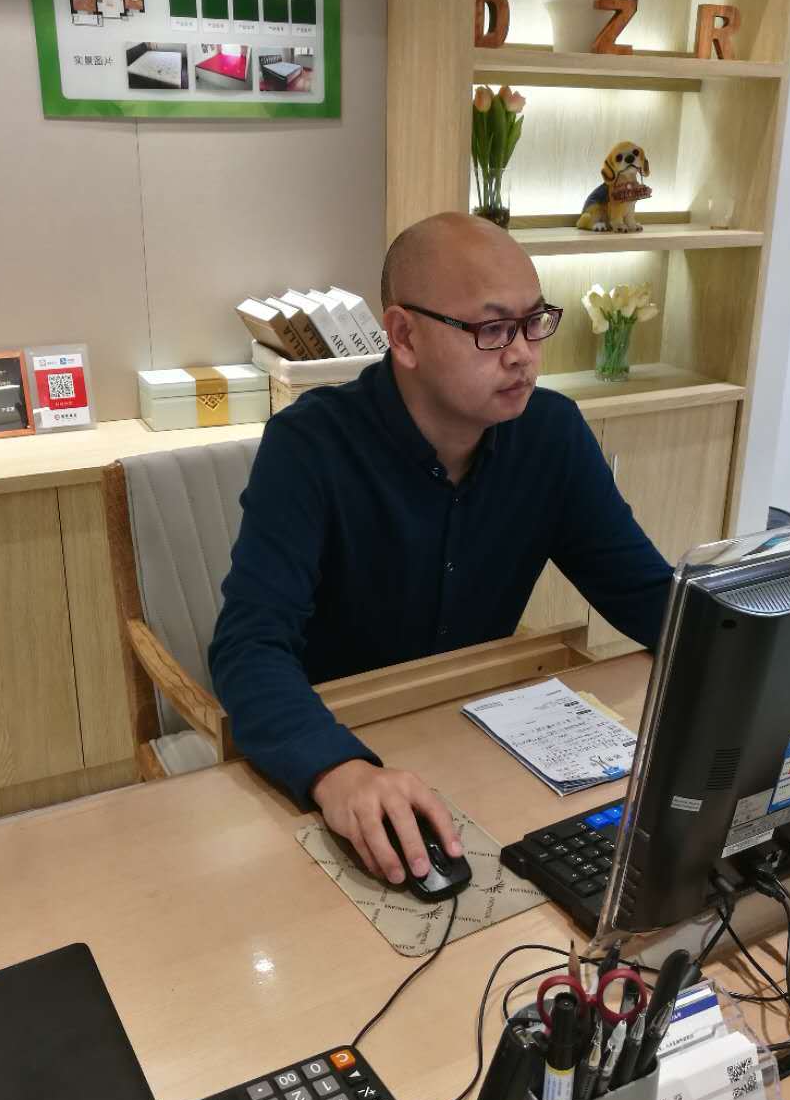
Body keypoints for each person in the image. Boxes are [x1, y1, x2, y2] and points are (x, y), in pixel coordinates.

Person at [209, 213, 673, 887]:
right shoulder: (310, 447)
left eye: (534, 322)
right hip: (341, 739)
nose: (523, 354)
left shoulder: (552, 434)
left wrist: (758, 649)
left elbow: (647, 595)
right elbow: (249, 646)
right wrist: (339, 771)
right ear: (404, 336)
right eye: (493, 329)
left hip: (479, 736)